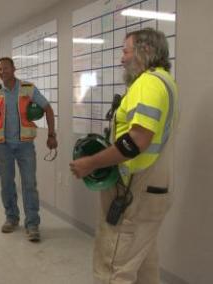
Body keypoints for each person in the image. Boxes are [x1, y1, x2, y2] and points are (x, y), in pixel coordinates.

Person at [69, 28, 178, 283]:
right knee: (144, 264)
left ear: (146, 51)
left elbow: (134, 143)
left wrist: (90, 163)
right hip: (155, 189)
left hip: (135, 191)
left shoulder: (148, 83)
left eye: (125, 51)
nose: (121, 58)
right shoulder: (166, 82)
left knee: (114, 267)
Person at [0, 57, 58, 242]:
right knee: (6, 184)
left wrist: (51, 135)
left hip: (25, 145)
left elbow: (48, 109)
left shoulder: (28, 89)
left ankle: (32, 224)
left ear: (14, 69)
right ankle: (11, 218)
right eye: (0, 69)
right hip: (3, 147)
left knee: (29, 185)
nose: (2, 72)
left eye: (6, 68)